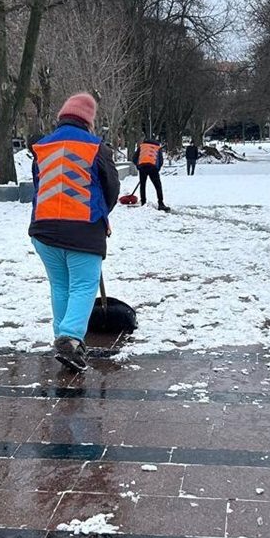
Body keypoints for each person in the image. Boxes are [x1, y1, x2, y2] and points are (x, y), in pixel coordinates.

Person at [29, 93, 120, 371]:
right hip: (83, 229)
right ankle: (69, 338)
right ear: (88, 121)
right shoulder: (95, 147)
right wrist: (101, 212)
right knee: (82, 285)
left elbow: (38, 183)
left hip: (43, 230)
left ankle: (64, 340)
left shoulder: (43, 146)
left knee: (60, 285)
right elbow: (112, 188)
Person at [134, 136, 169, 211]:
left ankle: (143, 202)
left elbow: (134, 158)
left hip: (142, 167)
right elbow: (160, 160)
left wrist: (138, 166)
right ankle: (161, 203)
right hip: (153, 168)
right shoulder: (157, 147)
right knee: (158, 186)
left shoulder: (142, 146)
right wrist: (157, 169)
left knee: (142, 185)